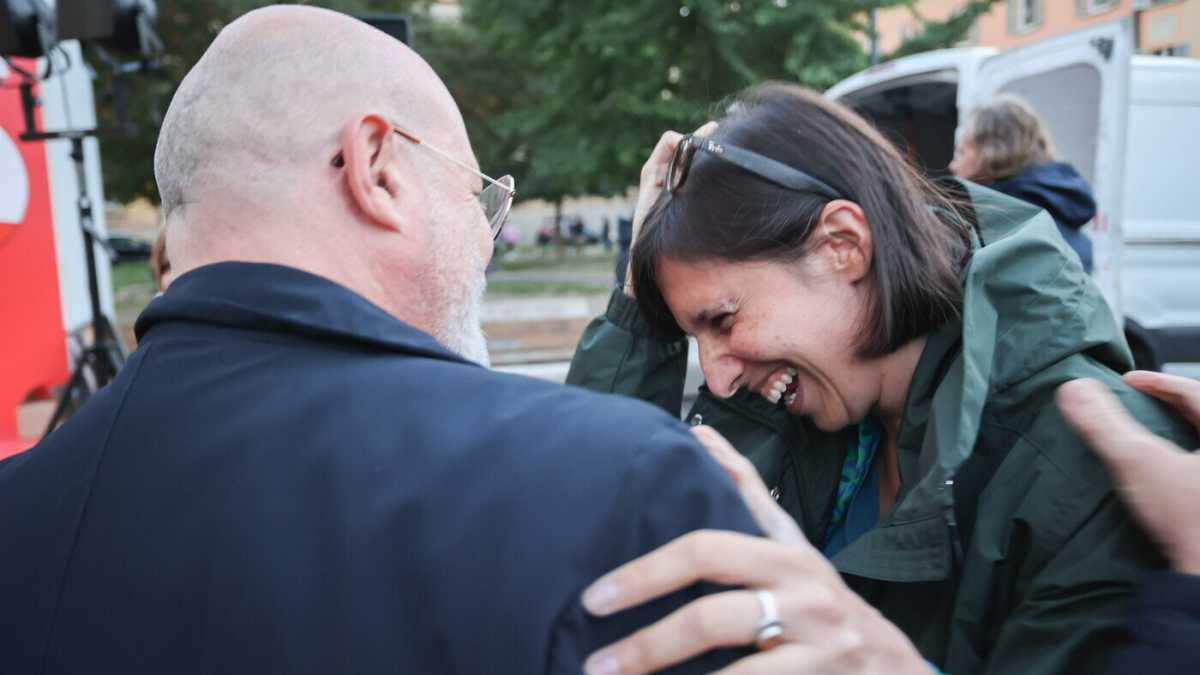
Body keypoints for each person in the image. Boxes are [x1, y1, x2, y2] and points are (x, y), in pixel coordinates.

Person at [0, 7, 761, 672]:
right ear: (376, 168)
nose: (486, 242)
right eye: (475, 195)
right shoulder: (625, 483)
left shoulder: (19, 512)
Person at [566, 82, 1197, 673]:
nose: (719, 378)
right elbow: (600, 563)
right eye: (692, 336)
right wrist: (640, 315)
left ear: (843, 244)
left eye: (724, 319)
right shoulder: (805, 413)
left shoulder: (1078, 469)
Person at [949, 94, 1096, 273]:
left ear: (990, 153)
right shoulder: (1057, 204)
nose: (953, 166)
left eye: (960, 153)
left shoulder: (1003, 222)